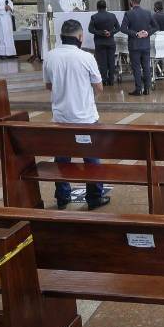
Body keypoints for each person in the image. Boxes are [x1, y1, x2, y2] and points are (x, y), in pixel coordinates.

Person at [43, 19, 108, 210]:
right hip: (85, 118)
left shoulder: (50, 56)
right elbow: (99, 87)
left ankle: (62, 196)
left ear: (61, 36)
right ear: (80, 37)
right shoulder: (86, 57)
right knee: (91, 158)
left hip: (61, 118)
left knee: (62, 158)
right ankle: (94, 197)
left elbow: (48, 86)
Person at [122, 0, 155, 96]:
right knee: (146, 67)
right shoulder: (148, 13)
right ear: (140, 1)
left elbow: (123, 28)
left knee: (136, 68)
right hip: (145, 44)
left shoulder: (128, 13)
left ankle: (138, 89)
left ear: (132, 1)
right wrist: (147, 33)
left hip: (134, 45)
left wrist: (136, 34)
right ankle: (147, 89)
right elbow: (156, 26)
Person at [89, 0, 120, 86]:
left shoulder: (94, 17)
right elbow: (118, 28)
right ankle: (111, 80)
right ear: (106, 7)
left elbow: (90, 29)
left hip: (100, 42)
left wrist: (101, 33)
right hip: (110, 41)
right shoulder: (112, 16)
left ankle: (104, 80)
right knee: (111, 61)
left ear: (97, 7)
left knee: (102, 62)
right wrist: (110, 32)